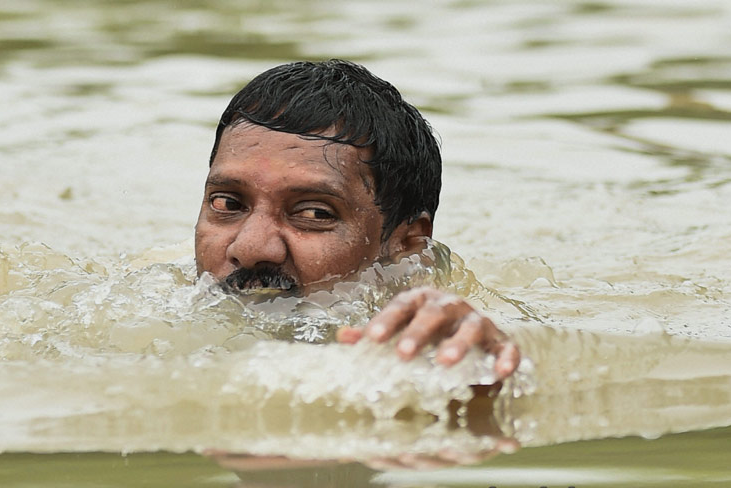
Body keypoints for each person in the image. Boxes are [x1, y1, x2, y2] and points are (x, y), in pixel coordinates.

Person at [194, 59, 520, 379]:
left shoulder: (452, 337)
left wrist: (476, 379)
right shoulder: (152, 299)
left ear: (405, 244)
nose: (250, 248)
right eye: (228, 203)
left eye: (313, 213)